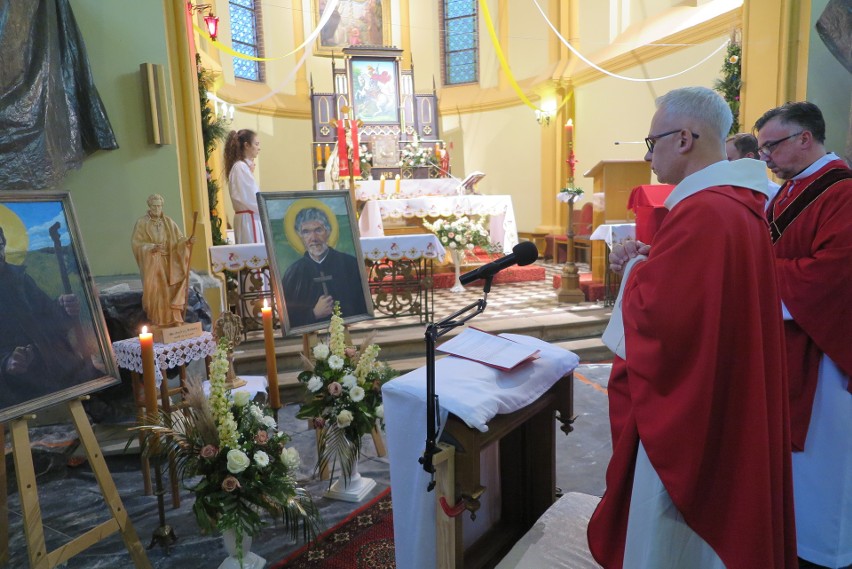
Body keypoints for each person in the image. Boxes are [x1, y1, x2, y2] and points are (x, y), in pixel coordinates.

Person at [587, 86, 797, 568]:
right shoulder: (736, 204)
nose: (649, 156)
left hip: (692, 409)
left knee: (674, 534)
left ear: (684, 138)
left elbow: (666, 320)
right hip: (725, 388)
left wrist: (638, 272)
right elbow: (698, 296)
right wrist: (653, 259)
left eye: (651, 141)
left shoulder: (703, 211)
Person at [754, 101, 852, 569]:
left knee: (823, 459)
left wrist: (753, 275)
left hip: (824, 348)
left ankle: (823, 551)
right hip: (786, 338)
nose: (765, 157)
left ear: (804, 139)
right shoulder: (789, 190)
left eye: (771, 146)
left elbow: (834, 274)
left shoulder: (841, 191)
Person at [0, 226, 96, 409]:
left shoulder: (20, 279)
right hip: (14, 386)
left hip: (48, 362)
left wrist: (63, 308)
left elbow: (45, 314)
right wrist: (6, 363)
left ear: (3, 245)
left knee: (93, 385)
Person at [282, 207, 367, 328]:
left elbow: (360, 306)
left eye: (318, 230)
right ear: (299, 235)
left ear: (328, 231)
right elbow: (290, 318)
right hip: (309, 337)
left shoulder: (350, 264)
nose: (313, 238)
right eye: (306, 232)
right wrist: (314, 314)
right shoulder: (293, 273)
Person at [130, 194, 195, 328]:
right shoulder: (142, 223)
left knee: (172, 289)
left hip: (170, 262)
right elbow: (137, 244)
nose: (156, 208)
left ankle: (175, 320)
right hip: (153, 262)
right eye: (154, 206)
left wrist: (188, 242)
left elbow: (179, 239)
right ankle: (158, 321)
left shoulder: (169, 222)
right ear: (149, 206)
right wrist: (151, 248)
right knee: (157, 291)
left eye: (159, 206)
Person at [224, 129, 263, 244]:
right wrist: (268, 209)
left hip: (248, 219)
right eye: (256, 144)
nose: (259, 148)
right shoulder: (240, 167)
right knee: (255, 257)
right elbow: (251, 198)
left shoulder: (241, 167)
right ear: (246, 145)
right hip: (249, 221)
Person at [726, 132, 781, 205]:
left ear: (749, 157)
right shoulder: (724, 190)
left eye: (728, 160)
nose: (723, 165)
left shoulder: (774, 194)